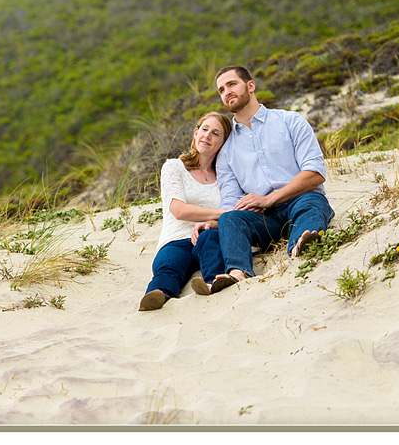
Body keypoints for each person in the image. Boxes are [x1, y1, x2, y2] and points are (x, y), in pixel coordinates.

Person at [192, 65, 335, 293]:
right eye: (221, 90)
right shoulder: (227, 151)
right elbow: (231, 201)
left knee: (312, 202)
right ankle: (238, 273)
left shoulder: (290, 121)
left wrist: (270, 199)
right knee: (231, 219)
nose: (226, 92)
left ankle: (301, 246)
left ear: (250, 86)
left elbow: (315, 173)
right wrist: (214, 222)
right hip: (265, 220)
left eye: (231, 85)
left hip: (300, 200)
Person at [139, 111, 233, 311]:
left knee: (212, 252)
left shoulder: (226, 177)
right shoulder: (174, 167)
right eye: (204, 129)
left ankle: (211, 284)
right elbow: (179, 210)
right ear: (195, 133)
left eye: (216, 133)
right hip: (176, 239)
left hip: (208, 234)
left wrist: (213, 222)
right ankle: (158, 295)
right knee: (168, 267)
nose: (207, 136)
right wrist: (223, 214)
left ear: (224, 142)